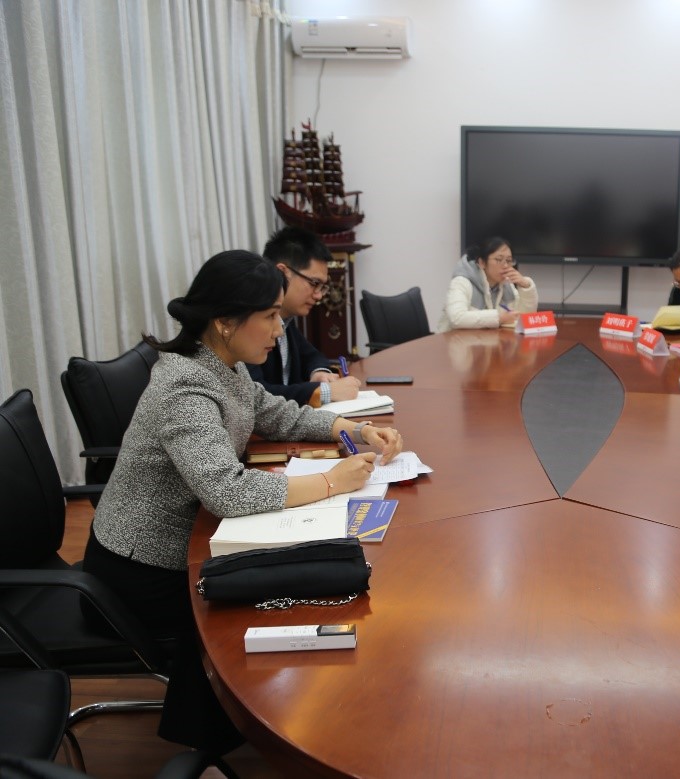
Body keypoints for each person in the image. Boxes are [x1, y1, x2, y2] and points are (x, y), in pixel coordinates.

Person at [82, 250, 404, 754]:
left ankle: (280, 714)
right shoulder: (184, 386)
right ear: (225, 321)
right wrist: (331, 482)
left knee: (298, 572)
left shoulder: (222, 365)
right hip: (143, 569)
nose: (280, 329)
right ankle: (217, 739)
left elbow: (277, 414)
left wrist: (355, 428)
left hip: (189, 541)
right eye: (270, 316)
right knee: (270, 590)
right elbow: (226, 490)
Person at [247, 226, 360, 406]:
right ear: (282, 273)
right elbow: (255, 394)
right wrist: (324, 391)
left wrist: (319, 373)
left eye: (322, 287)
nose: (319, 295)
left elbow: (312, 356)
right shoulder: (250, 320)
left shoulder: (286, 320)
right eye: (314, 283)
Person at [436, 237, 538, 332]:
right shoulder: (462, 282)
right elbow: (457, 318)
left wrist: (526, 286)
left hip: (485, 341)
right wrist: (499, 318)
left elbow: (523, 319)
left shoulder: (507, 284)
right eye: (499, 260)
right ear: (482, 262)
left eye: (509, 260)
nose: (506, 265)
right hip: (452, 342)